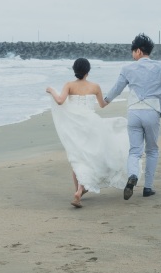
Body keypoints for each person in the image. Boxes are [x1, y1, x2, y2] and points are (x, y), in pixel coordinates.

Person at [102, 33, 161, 200]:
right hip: (151, 112)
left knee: (134, 151)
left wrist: (105, 101)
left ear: (138, 51)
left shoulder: (127, 69)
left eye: (133, 51)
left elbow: (116, 89)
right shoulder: (159, 66)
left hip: (133, 112)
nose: (132, 55)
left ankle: (133, 175)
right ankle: (148, 188)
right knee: (152, 150)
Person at [46, 58, 132, 208]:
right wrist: (113, 95)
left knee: (77, 157)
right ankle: (79, 191)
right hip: (92, 125)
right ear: (88, 71)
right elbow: (102, 104)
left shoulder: (69, 85)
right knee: (91, 156)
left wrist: (51, 90)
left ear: (74, 70)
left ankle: (78, 191)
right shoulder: (95, 86)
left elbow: (60, 101)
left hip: (75, 127)